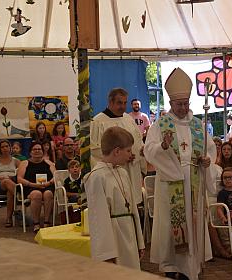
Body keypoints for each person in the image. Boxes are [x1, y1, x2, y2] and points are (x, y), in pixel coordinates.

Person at [144, 67, 217, 280]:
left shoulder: (197, 124)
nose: (183, 107)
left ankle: (191, 267)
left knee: (193, 225)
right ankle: (170, 266)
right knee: (170, 225)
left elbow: (210, 149)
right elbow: (149, 150)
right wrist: (163, 148)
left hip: (193, 179)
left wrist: (206, 160)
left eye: (186, 103)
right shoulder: (161, 124)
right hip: (171, 182)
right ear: (170, 104)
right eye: (179, 104)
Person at [85, 126, 145, 269]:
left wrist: (139, 241)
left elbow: (133, 211)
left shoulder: (123, 173)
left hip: (129, 233)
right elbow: (98, 218)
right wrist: (106, 253)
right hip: (113, 236)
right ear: (117, 151)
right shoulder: (97, 176)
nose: (131, 155)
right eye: (128, 150)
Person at [90, 88, 146, 206]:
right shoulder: (98, 122)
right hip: (113, 172)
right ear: (110, 102)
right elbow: (96, 150)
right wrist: (120, 158)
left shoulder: (128, 119)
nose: (123, 106)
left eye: (125, 103)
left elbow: (138, 140)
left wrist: (140, 152)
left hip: (132, 169)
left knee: (134, 205)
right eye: (119, 103)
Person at [17, 142, 55, 233]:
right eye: (34, 149)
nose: (37, 151)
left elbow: (56, 176)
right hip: (30, 187)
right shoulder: (24, 163)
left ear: (43, 152)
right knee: (36, 194)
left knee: (48, 194)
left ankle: (46, 222)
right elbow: (19, 179)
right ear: (30, 152)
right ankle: (36, 223)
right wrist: (32, 184)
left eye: (39, 149)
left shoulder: (48, 163)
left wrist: (49, 182)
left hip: (47, 186)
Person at [0, 140, 20, 227]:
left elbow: (22, 174)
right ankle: (20, 196)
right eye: (2, 147)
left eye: (7, 146)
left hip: (12, 184)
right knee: (6, 181)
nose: (5, 148)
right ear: (0, 149)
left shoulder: (16, 161)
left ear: (10, 148)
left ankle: (8, 218)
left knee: (10, 192)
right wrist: (4, 177)